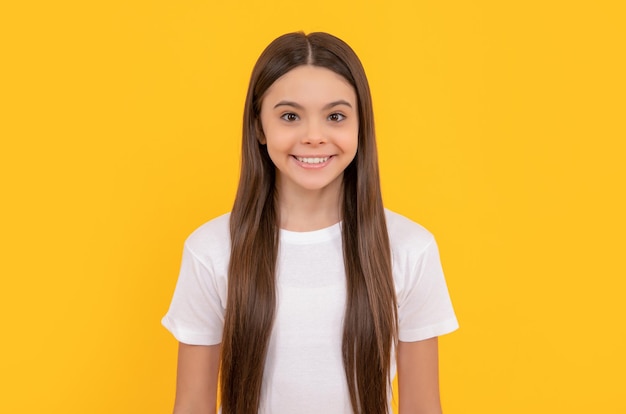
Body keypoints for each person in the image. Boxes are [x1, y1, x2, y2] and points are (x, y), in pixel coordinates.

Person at [162, 31, 458, 414]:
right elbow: (191, 403)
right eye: (290, 116)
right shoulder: (211, 251)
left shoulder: (409, 249)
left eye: (335, 116)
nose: (314, 137)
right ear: (258, 127)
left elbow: (421, 407)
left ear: (360, 125)